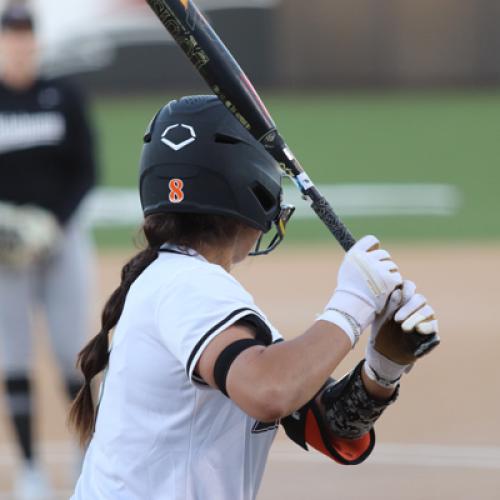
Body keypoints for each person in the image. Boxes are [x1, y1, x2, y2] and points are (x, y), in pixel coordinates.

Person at [70, 95, 439, 500]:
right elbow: (270, 392)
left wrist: (382, 371)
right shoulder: (187, 286)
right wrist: (352, 304)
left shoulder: (181, 285)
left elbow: (333, 429)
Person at [0, 3, 97, 498]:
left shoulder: (63, 96)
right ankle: (32, 470)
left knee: (69, 355)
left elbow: (87, 169)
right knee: (13, 358)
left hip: (61, 242)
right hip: (3, 254)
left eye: (26, 35)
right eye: (11, 35)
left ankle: (91, 457)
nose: (20, 43)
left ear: (35, 41)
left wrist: (50, 225)